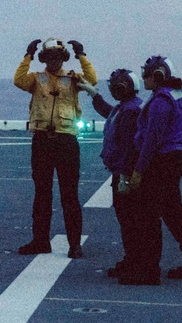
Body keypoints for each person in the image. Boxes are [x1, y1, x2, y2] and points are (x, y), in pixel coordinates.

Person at [123, 56, 182, 285]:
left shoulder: (160, 102)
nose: (143, 79)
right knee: (174, 215)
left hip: (162, 163)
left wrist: (139, 171)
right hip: (173, 159)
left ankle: (149, 271)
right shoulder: (175, 94)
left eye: (147, 75)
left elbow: (151, 139)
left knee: (150, 216)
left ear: (158, 76)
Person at [13, 38, 97, 258]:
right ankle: (40, 241)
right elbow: (18, 80)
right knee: (42, 194)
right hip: (41, 141)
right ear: (43, 58)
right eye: (49, 57)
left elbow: (92, 80)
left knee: (70, 195)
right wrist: (27, 56)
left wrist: (82, 56)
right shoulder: (36, 79)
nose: (54, 60)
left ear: (63, 57)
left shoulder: (73, 78)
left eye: (58, 56)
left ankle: (74, 245)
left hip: (66, 141)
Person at [78, 69, 145, 279]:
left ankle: (134, 262)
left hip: (124, 174)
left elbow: (128, 147)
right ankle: (131, 260)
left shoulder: (130, 111)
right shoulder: (126, 108)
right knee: (128, 220)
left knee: (129, 221)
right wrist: (92, 93)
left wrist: (125, 176)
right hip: (122, 172)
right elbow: (109, 111)